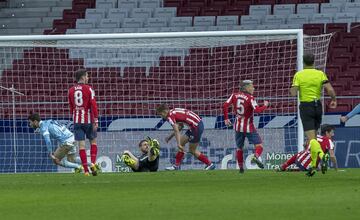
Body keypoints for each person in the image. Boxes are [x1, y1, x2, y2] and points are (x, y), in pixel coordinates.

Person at [290, 53, 337, 176]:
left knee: (311, 140)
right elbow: (330, 89)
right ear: (314, 62)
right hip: (318, 106)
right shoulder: (320, 74)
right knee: (314, 138)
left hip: (306, 106)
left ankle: (322, 156)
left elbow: (293, 93)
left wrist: (294, 89)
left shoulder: (299, 75)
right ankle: (313, 166)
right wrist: (334, 99)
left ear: (303, 62)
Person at [223, 80, 269, 173]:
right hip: (249, 127)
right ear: (246, 87)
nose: (253, 88)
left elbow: (225, 105)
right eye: (252, 86)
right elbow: (257, 111)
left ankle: (240, 168)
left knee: (239, 148)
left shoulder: (234, 95)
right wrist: (265, 106)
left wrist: (226, 118)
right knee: (259, 146)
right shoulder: (250, 98)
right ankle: (256, 157)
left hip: (237, 126)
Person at [156, 104, 215, 170]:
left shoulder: (169, 116)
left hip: (196, 127)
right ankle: (176, 166)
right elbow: (180, 127)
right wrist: (170, 137)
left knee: (192, 150)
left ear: (164, 111)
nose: (161, 117)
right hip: (195, 125)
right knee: (181, 143)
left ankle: (210, 164)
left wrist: (178, 144)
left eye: (161, 114)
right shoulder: (173, 111)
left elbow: (176, 130)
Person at [28, 113, 93, 173]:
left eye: (30, 122)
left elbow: (48, 141)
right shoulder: (47, 122)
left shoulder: (43, 127)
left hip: (66, 141)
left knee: (56, 159)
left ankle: (79, 167)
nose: (30, 124)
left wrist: (50, 153)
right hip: (72, 137)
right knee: (71, 160)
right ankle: (91, 165)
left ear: (35, 122)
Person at [68, 69, 99, 176]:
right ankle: (93, 164)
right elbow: (93, 105)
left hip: (77, 121)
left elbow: (71, 106)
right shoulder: (89, 89)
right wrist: (96, 120)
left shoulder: (71, 90)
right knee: (93, 142)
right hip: (88, 120)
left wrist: (74, 117)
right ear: (82, 77)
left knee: (81, 146)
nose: (88, 78)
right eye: (87, 76)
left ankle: (86, 171)